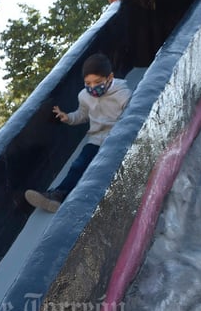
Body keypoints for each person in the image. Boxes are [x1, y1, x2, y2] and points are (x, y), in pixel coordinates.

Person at [25, 53, 132, 213]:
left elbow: (131, 117)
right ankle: (58, 195)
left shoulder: (123, 95)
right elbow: (82, 115)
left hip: (116, 139)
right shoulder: (84, 96)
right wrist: (68, 117)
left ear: (109, 78)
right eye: (88, 83)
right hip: (96, 139)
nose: (92, 87)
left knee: (105, 169)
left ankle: (106, 202)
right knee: (78, 165)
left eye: (97, 82)